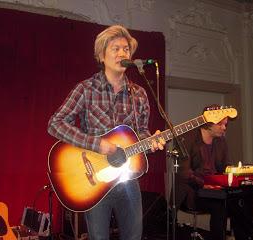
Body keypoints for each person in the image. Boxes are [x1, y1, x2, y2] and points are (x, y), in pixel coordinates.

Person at [47, 25, 165, 240]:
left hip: (128, 179)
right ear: (101, 55)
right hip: (94, 180)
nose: (122, 53)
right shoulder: (86, 89)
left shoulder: (139, 94)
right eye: (116, 48)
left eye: (126, 49)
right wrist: (98, 144)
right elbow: (55, 123)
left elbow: (141, 133)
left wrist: (152, 140)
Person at [174, 106, 231, 240]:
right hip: (193, 191)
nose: (224, 128)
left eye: (225, 125)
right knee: (219, 205)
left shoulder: (221, 141)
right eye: (221, 124)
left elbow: (226, 166)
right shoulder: (187, 138)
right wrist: (204, 184)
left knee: (239, 200)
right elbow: (184, 172)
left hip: (216, 189)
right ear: (209, 123)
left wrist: (233, 174)